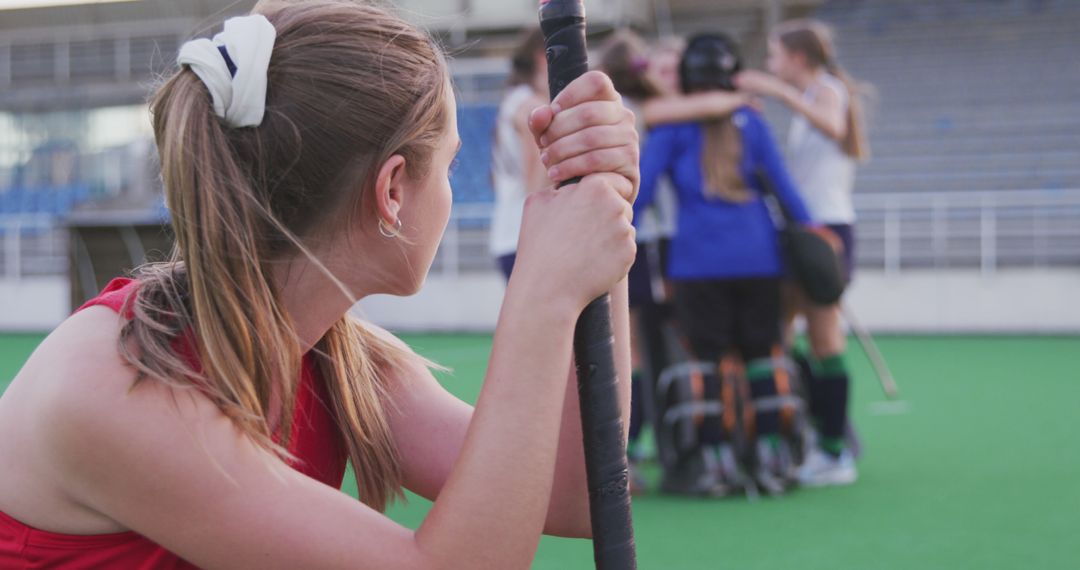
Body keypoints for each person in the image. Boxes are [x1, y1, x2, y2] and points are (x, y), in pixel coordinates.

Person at [0, 2, 641, 568]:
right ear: (392, 191)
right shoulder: (109, 387)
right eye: (448, 165)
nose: (449, 188)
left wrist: (593, 204)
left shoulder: (334, 354)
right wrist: (545, 295)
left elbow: (579, 492)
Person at [634, 32, 813, 496]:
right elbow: (785, 187)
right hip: (759, 258)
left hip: (697, 264)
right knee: (762, 355)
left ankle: (716, 460)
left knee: (706, 363)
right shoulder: (751, 123)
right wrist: (814, 232)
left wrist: (619, 231)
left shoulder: (671, 128)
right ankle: (773, 452)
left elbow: (644, 190)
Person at [735, 18, 871, 487]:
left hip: (825, 233)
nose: (770, 65)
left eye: (774, 56)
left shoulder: (827, 91)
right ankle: (822, 431)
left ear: (797, 58)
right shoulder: (809, 101)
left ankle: (835, 452)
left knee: (825, 341)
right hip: (803, 231)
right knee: (784, 335)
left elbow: (832, 125)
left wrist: (776, 91)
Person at [490, 28, 550, 280]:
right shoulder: (531, 104)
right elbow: (535, 185)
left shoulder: (515, 98)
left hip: (513, 236)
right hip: (527, 240)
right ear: (542, 56)